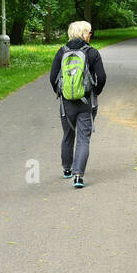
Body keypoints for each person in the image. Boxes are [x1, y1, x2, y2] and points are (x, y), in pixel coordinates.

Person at [49, 20, 106, 188]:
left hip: (66, 103)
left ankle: (67, 169)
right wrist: (95, 92)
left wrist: (62, 93)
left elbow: (53, 78)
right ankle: (78, 176)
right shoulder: (92, 53)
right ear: (83, 33)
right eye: (89, 32)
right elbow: (101, 77)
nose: (90, 35)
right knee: (83, 138)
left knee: (68, 135)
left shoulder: (61, 52)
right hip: (86, 101)